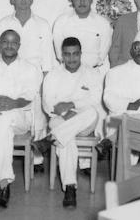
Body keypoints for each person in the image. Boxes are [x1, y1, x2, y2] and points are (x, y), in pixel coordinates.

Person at [0, 29, 42, 209]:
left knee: (2, 121)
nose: (9, 45)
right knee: (2, 123)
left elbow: (30, 96)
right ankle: (4, 184)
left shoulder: (30, 68)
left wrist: (12, 103)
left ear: (19, 46)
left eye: (13, 42)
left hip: (21, 117)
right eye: (5, 41)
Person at [0, 0, 55, 169]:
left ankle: (37, 159)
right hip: (9, 75)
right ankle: (5, 155)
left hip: (35, 76)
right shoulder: (4, 23)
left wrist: (45, 84)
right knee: (10, 115)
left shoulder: (42, 24)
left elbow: (47, 57)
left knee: (38, 117)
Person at [34, 37, 101, 208]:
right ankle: (70, 187)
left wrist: (72, 105)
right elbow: (48, 104)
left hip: (85, 122)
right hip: (60, 121)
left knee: (92, 112)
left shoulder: (92, 74)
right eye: (67, 54)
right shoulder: (53, 75)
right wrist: (68, 113)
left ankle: (50, 139)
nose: (71, 58)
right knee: (66, 139)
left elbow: (95, 101)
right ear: (61, 55)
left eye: (75, 54)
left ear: (81, 54)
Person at [52, 0, 111, 137]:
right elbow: (60, 51)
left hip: (92, 75)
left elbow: (104, 51)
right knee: (66, 116)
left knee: (93, 116)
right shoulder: (62, 21)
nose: (82, 2)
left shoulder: (102, 23)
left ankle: (56, 141)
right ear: (72, 0)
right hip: (68, 74)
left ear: (91, 0)